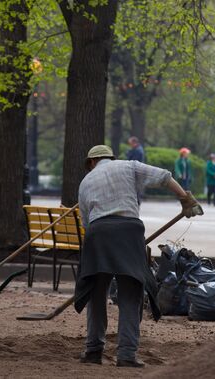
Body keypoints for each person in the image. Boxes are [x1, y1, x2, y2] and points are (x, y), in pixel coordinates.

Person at [75, 145, 202, 368]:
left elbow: (87, 224)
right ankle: (126, 354)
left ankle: (93, 351)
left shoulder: (86, 181)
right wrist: (185, 198)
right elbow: (164, 177)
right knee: (130, 295)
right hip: (129, 231)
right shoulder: (129, 166)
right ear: (110, 158)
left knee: (96, 295)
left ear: (92, 162)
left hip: (99, 235)